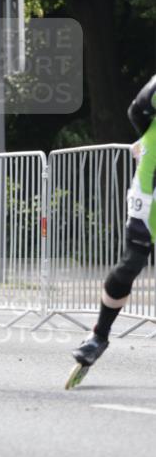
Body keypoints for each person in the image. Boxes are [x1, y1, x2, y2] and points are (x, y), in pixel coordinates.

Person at [67, 73, 156, 388]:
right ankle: (98, 336)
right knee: (131, 263)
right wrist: (146, 138)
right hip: (149, 191)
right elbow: (137, 110)